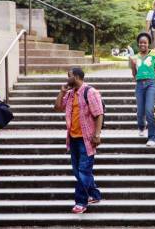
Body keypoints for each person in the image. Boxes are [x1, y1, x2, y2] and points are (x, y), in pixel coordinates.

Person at [54, 67, 104, 214]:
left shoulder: (90, 92)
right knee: (78, 171)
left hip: (87, 139)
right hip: (73, 138)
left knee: (83, 171)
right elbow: (57, 107)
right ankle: (94, 194)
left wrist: (97, 134)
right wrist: (62, 91)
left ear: (75, 77)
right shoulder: (69, 94)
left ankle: (81, 202)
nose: (66, 78)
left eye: (68, 76)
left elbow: (99, 114)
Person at [129, 32, 155, 146]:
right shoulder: (135, 57)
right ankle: (141, 126)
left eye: (145, 42)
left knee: (149, 110)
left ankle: (153, 137)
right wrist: (133, 64)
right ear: (138, 44)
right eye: (140, 42)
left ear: (148, 43)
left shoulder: (154, 54)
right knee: (140, 111)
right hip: (139, 84)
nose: (142, 44)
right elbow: (134, 74)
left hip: (151, 84)